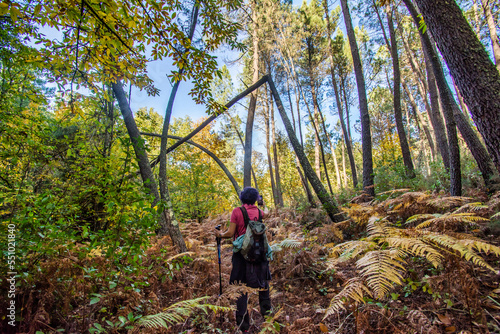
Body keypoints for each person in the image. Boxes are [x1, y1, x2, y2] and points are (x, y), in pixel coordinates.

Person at [215, 187, 272, 333]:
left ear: (242, 198)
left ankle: (243, 327)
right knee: (263, 283)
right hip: (259, 253)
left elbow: (230, 233)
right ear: (254, 198)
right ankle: (269, 319)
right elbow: (268, 212)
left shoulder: (237, 211)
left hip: (241, 255)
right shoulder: (259, 212)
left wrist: (219, 234)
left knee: (240, 287)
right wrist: (262, 204)